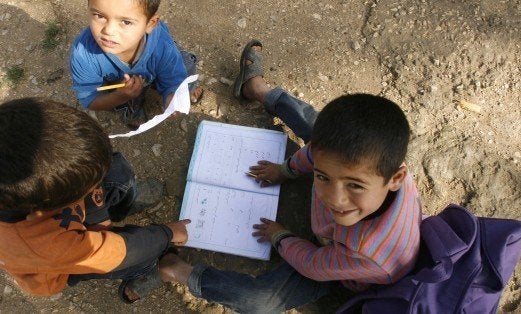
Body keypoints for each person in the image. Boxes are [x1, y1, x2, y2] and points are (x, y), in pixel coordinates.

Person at [158, 40, 423, 313]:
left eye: (355, 185)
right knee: (324, 130)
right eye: (323, 177)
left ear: (396, 178)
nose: (333, 197)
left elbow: (313, 264)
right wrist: (285, 170)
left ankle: (179, 271)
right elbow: (314, 153)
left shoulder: (371, 255)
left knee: (260, 300)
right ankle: (256, 88)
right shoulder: (373, 164)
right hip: (332, 235)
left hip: (336, 264)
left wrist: (281, 237)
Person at [0, 97, 190, 303]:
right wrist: (167, 233)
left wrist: (100, 214)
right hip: (59, 267)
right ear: (46, 206)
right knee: (141, 256)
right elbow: (121, 252)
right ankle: (152, 271)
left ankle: (118, 211)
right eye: (86, 188)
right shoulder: (47, 247)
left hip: (60, 232)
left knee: (115, 171)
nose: (94, 186)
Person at [70, 0, 203, 129]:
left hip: (159, 65)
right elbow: (90, 99)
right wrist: (121, 95)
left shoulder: (162, 45)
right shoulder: (83, 54)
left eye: (126, 22)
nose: (109, 31)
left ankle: (188, 90)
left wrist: (172, 98)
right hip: (122, 87)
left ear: (150, 24)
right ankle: (133, 115)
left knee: (185, 66)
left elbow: (174, 79)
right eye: (99, 16)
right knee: (127, 102)